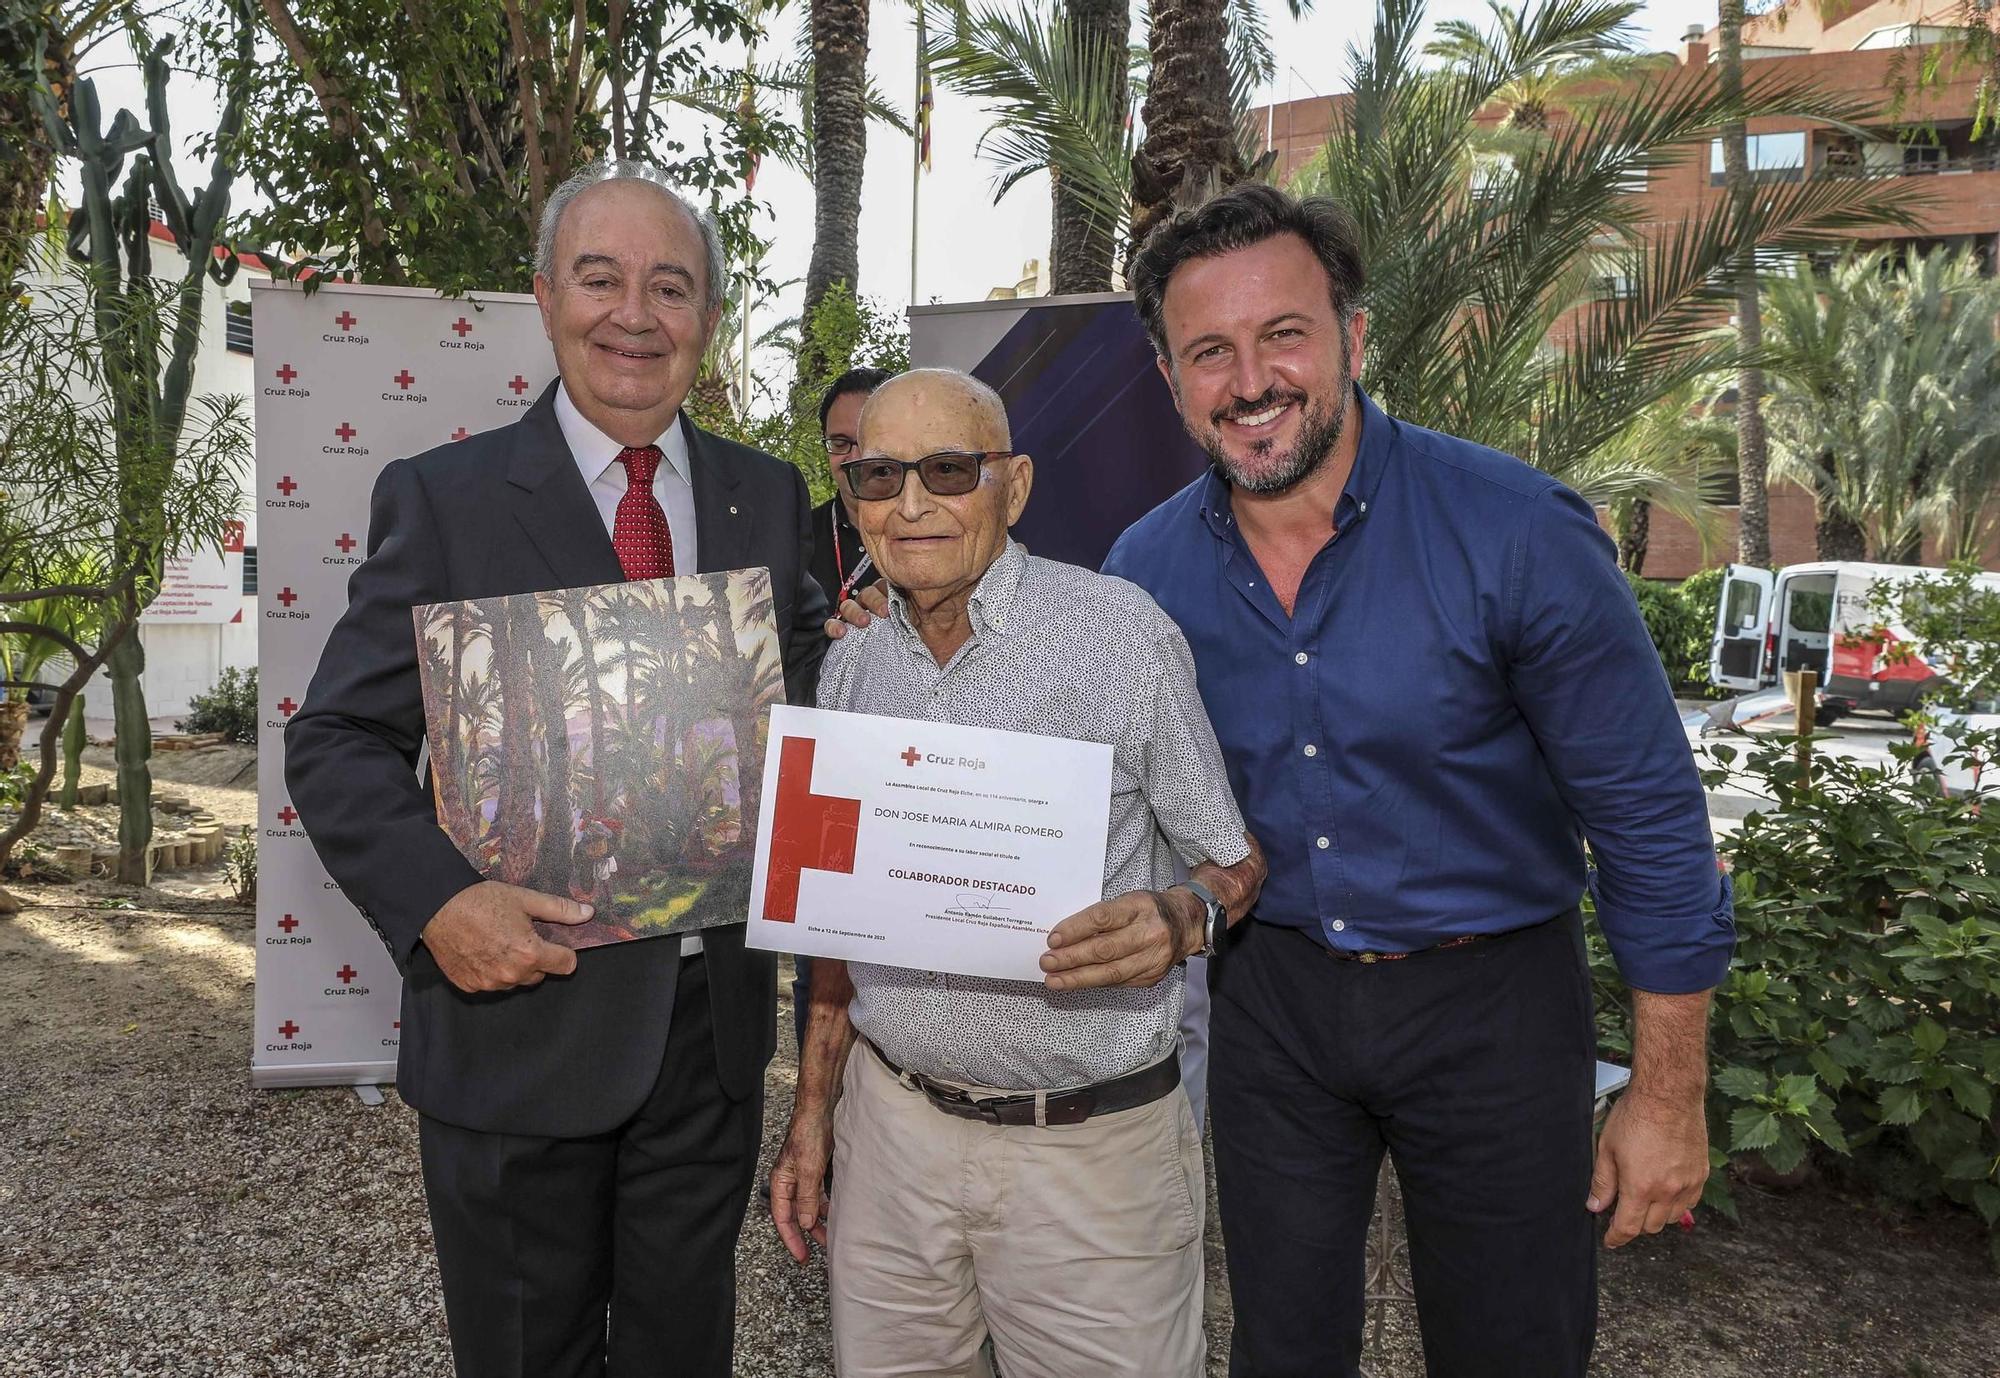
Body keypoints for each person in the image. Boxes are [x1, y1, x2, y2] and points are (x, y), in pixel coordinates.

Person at [1100, 184, 1735, 1376]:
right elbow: (1112, 798)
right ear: (1169, 374)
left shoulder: (1516, 533)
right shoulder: (1143, 574)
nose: (1249, 382)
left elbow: (1648, 823)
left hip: (1492, 1005)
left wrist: (1664, 1097)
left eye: (1281, 334)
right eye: (1209, 352)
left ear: (1349, 333)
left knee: (1511, 1345)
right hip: (1271, 1003)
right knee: (1281, 1349)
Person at [284, 159, 829, 1378]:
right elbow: (332, 739)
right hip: (517, 1027)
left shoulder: (767, 495)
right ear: (544, 296)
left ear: (706, 317)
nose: (634, 313)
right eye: (600, 278)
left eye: (670, 286)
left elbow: (804, 712)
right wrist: (438, 902)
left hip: (709, 1037)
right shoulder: (442, 498)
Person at [772, 368, 1266, 1378]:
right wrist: (812, 1119)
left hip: (1087, 1159)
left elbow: (1235, 859)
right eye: (875, 476)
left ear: (1014, 485)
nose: (908, 505)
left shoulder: (1120, 636)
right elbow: (833, 920)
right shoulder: (850, 665)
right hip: (893, 1141)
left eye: (946, 470)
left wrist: (1183, 916)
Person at [791, 365, 891, 1052]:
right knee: (820, 974)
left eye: (867, 441)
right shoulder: (789, 535)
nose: (852, 459)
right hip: (818, 778)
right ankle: (819, 1139)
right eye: (838, 445)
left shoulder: (942, 531)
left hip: (909, 779)